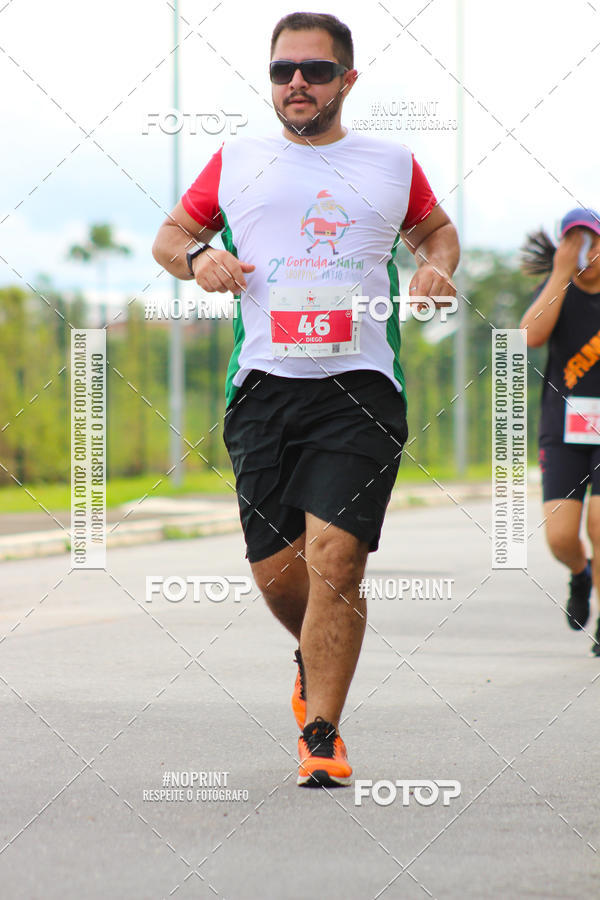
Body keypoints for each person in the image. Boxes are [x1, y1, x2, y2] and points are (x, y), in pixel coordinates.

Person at [152, 11, 459, 786]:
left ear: (346, 81)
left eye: (315, 71)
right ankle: (314, 650)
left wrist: (435, 268)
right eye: (284, 70)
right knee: (280, 575)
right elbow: (169, 236)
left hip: (359, 388)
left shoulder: (392, 162)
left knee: (337, 559)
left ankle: (322, 734)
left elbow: (438, 231)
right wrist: (198, 257)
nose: (297, 83)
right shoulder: (236, 159)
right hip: (263, 389)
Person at [519, 208, 600, 657]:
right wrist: (561, 275)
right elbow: (528, 337)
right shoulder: (557, 291)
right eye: (575, 240)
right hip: (563, 429)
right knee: (561, 537)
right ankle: (580, 572)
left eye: (592, 240)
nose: (585, 249)